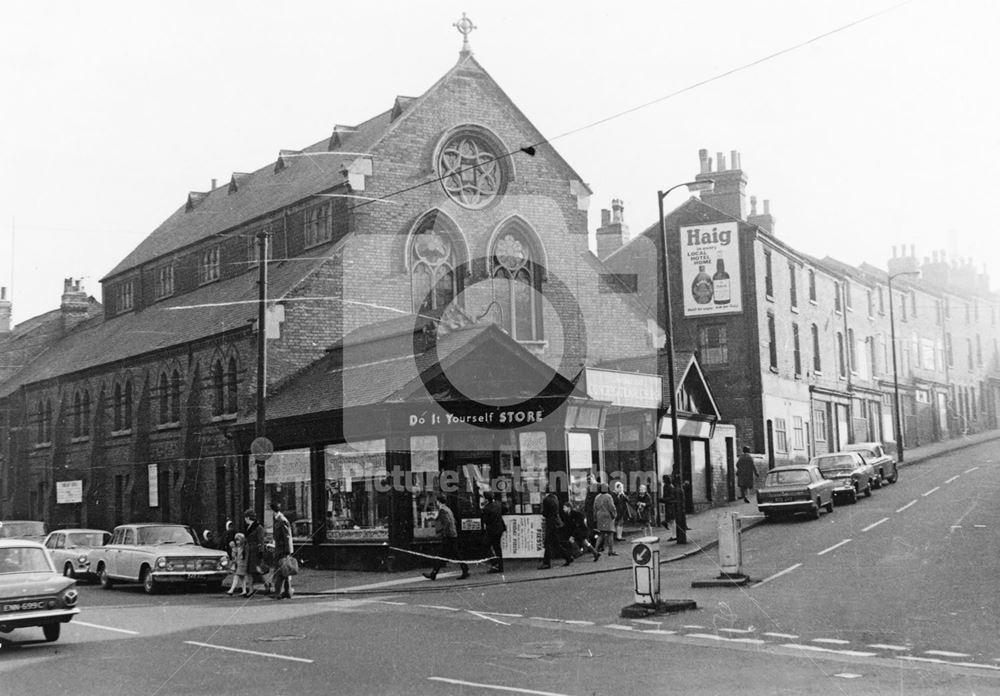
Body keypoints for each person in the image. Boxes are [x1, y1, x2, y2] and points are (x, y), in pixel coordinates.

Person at [423, 495, 469, 580]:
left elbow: (447, 522)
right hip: (452, 534)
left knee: (442, 554)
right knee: (451, 554)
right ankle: (464, 569)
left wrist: (443, 532)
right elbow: (453, 521)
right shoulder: (448, 509)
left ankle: (433, 574)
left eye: (436, 501)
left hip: (448, 536)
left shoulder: (442, 510)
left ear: (438, 502)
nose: (436, 503)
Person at [539, 488, 574, 569]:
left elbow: (544, 513)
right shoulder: (555, 498)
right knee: (556, 543)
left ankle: (546, 563)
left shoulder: (546, 500)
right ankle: (568, 557)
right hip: (557, 523)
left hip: (551, 524)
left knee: (548, 543)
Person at [269, 501, 294, 599]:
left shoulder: (281, 520)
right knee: (285, 571)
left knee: (279, 571)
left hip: (282, 550)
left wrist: (288, 551)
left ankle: (277, 593)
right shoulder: (277, 519)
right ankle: (287, 592)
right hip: (280, 549)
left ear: (273, 511)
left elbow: (287, 536)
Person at [480, 491, 506, 574]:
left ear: (486, 499)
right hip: (500, 528)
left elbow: (486, 521)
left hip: (491, 530)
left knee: (485, 546)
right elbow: (505, 510)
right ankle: (500, 566)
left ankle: (495, 564)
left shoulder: (486, 508)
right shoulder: (498, 504)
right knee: (497, 548)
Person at [242, 509, 266, 597]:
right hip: (249, 551)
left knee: (256, 570)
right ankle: (251, 590)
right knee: (249, 571)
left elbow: (261, 541)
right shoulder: (248, 527)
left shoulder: (259, 527)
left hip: (255, 551)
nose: (245, 519)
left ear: (248, 517)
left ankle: (266, 584)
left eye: (245, 517)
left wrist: (261, 552)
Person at [593, 483, 618, 556]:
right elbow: (611, 507)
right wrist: (614, 515)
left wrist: (595, 518)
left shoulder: (597, 497)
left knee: (601, 534)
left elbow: (594, 508)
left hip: (599, 516)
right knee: (610, 533)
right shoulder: (608, 497)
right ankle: (611, 551)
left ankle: (595, 550)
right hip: (607, 516)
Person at [227, 533, 251, 597]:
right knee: (241, 577)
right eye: (236, 540)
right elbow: (234, 555)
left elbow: (244, 556)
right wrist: (233, 548)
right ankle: (244, 590)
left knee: (236, 576)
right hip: (239, 563)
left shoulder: (245, 547)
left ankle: (231, 590)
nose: (237, 542)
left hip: (243, 563)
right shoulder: (238, 547)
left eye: (238, 540)